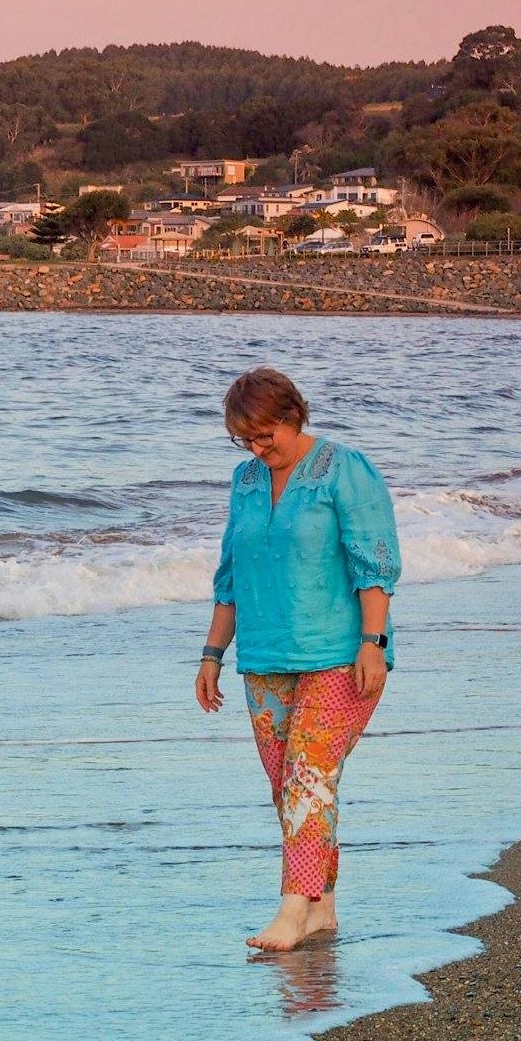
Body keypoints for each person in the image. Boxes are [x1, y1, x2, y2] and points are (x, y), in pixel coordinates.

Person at [193, 368, 402, 952]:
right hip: (263, 656)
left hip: (340, 655)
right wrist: (212, 653)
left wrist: (373, 644)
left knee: (308, 780)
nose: (258, 451)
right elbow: (231, 574)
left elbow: (375, 563)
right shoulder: (246, 481)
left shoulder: (344, 470)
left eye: (266, 437)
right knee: (291, 788)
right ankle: (322, 906)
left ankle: (290, 910)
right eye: (246, 441)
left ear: (292, 417)